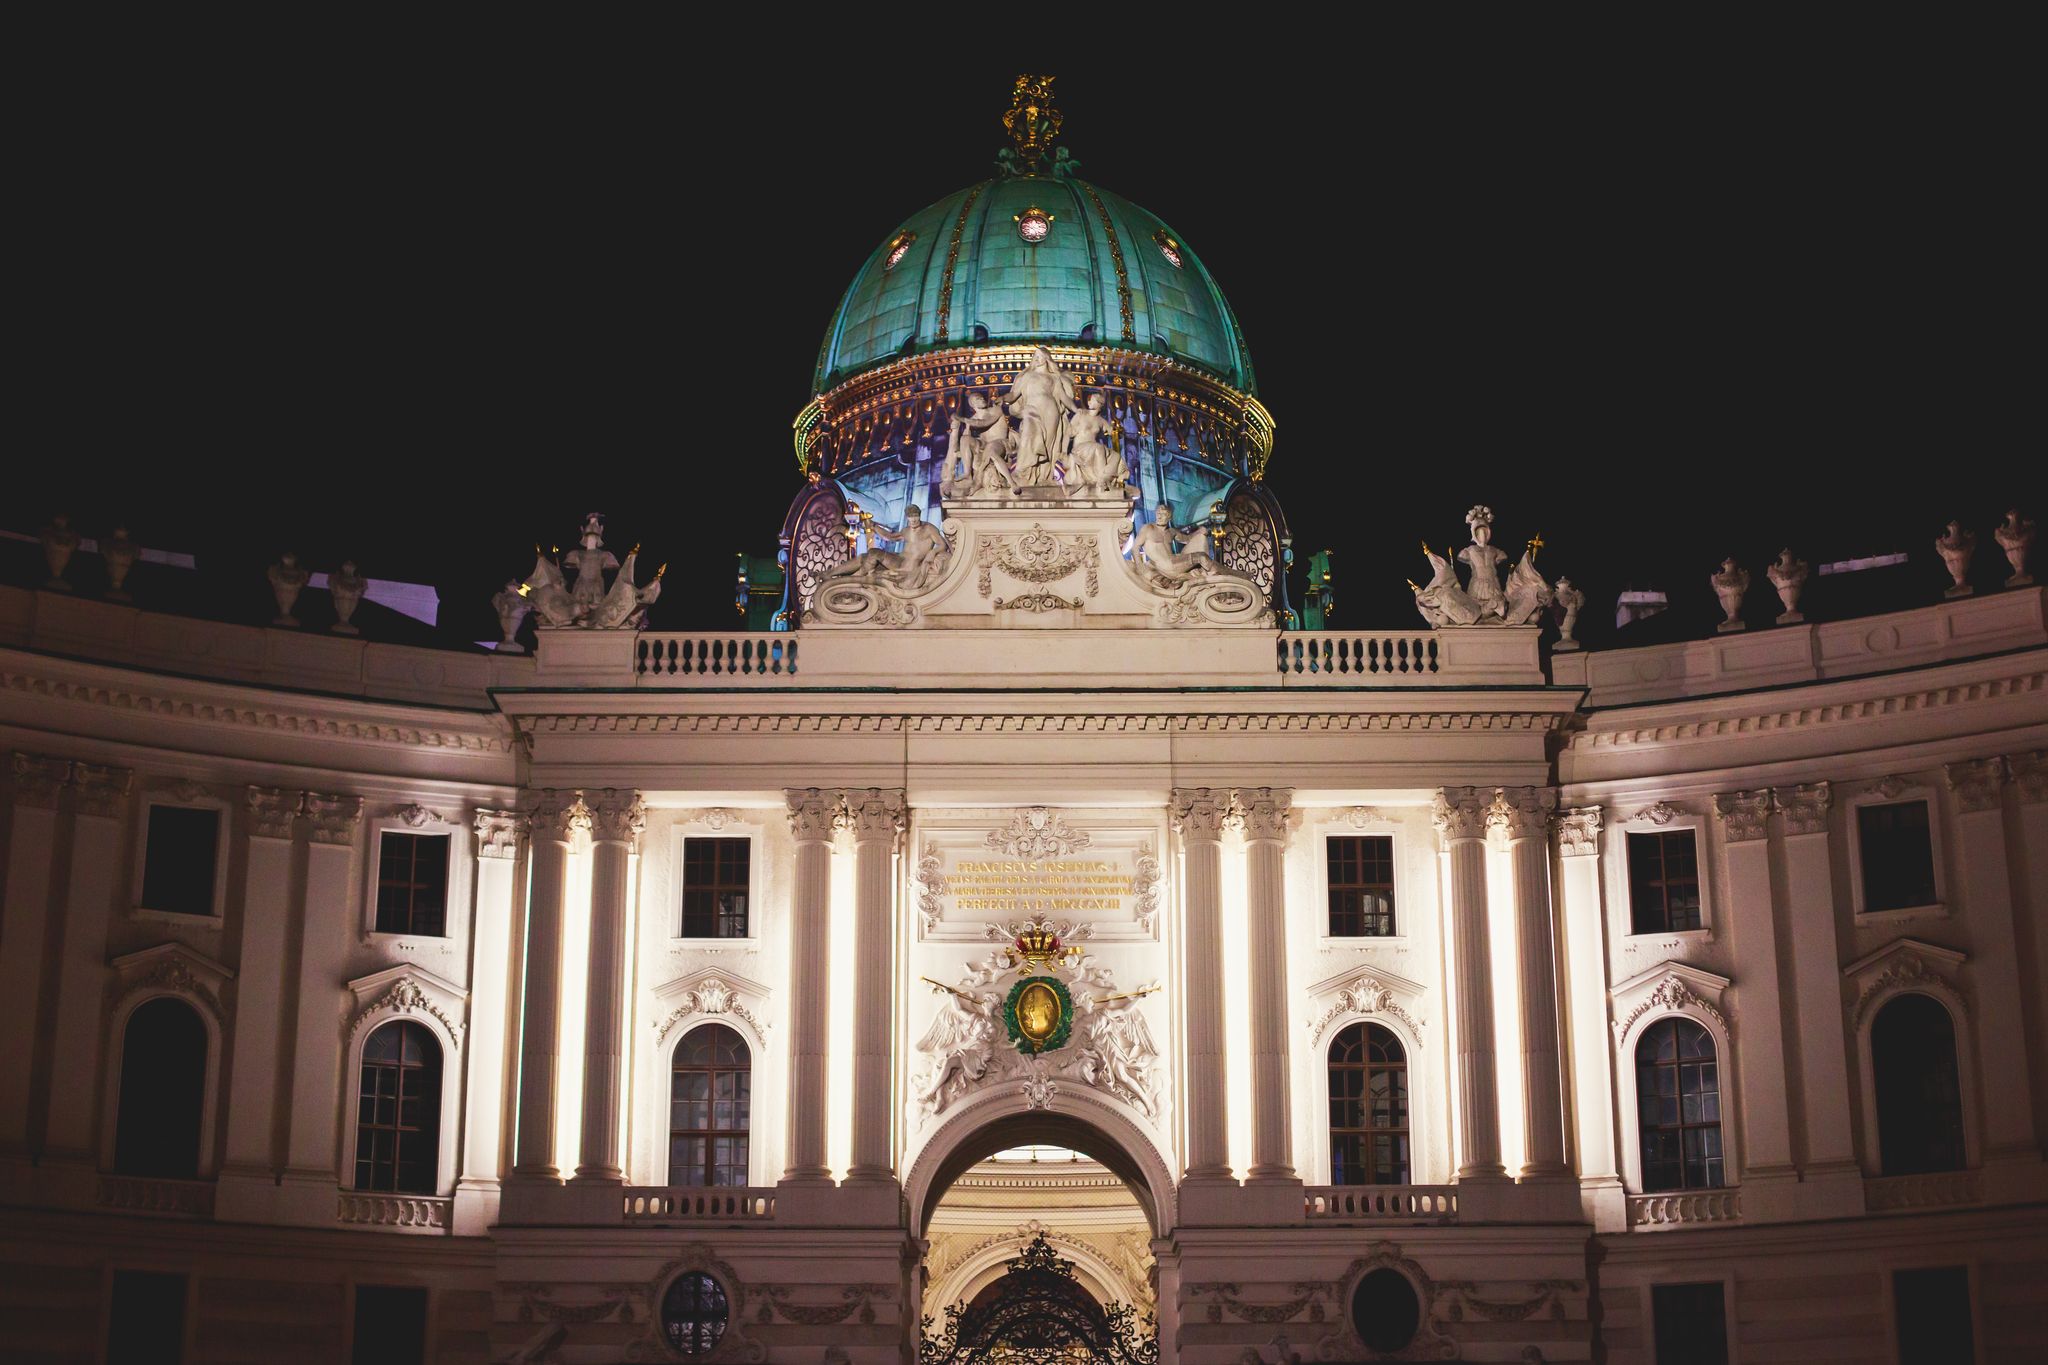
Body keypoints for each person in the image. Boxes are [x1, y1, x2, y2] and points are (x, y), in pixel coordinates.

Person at [816, 503, 950, 592]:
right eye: (911, 517)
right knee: (864, 557)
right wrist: (874, 527)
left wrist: (933, 552)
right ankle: (829, 574)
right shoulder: (906, 530)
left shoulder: (928, 528)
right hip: (899, 558)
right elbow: (890, 537)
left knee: (873, 553)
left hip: (908, 565)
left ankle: (845, 583)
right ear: (907, 518)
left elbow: (942, 544)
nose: (914, 520)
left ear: (919, 516)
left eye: (915, 516)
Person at [1005, 346, 1076, 489]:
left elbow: (1062, 397)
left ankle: (1045, 477)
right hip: (1031, 410)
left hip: (1051, 411)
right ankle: (1023, 473)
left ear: (1047, 359)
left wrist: (1077, 410)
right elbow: (1013, 395)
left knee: (1049, 445)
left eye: (1041, 357)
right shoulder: (1027, 376)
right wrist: (1002, 398)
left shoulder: (1054, 377)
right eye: (1035, 357)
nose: (1037, 360)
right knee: (1028, 438)